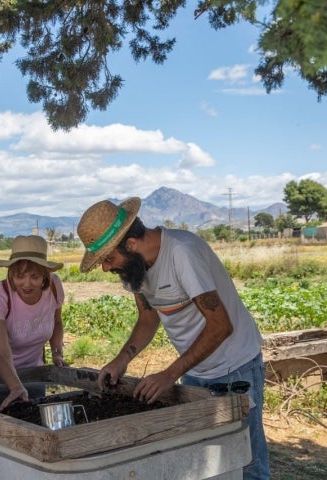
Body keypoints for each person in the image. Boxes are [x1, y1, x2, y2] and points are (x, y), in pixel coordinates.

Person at [76, 197, 270, 480]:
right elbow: (148, 317)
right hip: (195, 369)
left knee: (246, 462)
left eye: (108, 258)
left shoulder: (182, 253)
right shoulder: (136, 268)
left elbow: (220, 325)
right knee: (207, 463)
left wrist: (169, 375)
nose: (106, 268)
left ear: (130, 244)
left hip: (234, 366)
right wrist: (122, 360)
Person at [0, 235, 67, 411]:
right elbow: (0, 353)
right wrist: (15, 386)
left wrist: (57, 353)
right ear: (11, 274)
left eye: (35, 276)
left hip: (32, 372)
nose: (26, 284)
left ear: (45, 276)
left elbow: (57, 322)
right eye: (20, 276)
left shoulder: (54, 287)